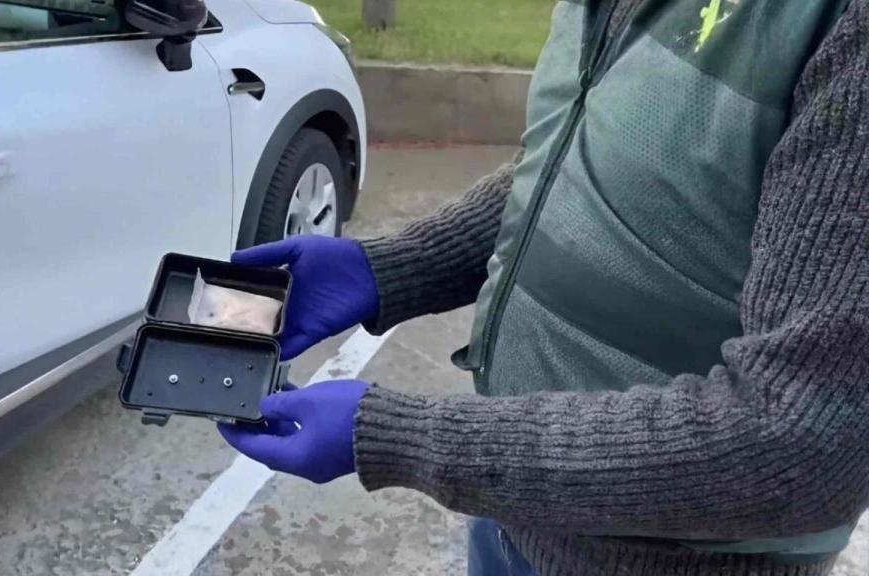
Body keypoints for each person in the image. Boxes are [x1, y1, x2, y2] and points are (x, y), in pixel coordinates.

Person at [219, 0, 869, 574]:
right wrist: (397, 266)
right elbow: (577, 158)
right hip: (511, 520)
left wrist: (407, 438)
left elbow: (802, 442)